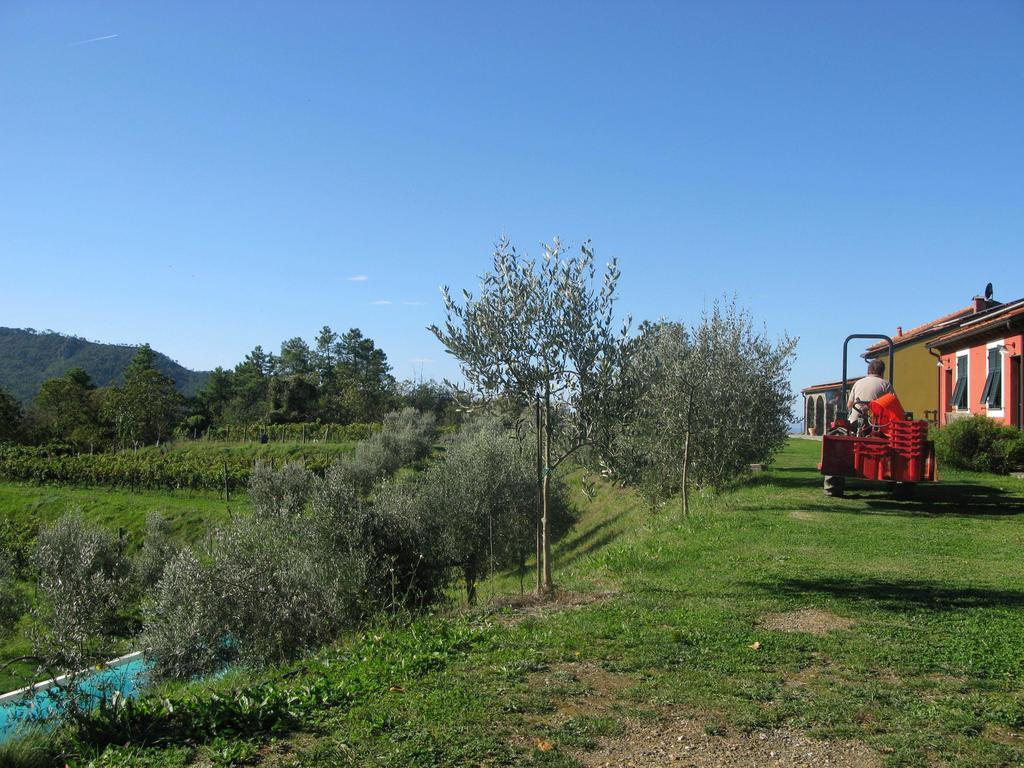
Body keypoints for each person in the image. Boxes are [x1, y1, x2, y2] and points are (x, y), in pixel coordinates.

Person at [846, 359, 893, 427]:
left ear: (868, 371)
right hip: (874, 425)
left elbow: (849, 405)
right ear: (882, 372)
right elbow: (893, 404)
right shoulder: (885, 384)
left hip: (854, 424)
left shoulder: (858, 383)